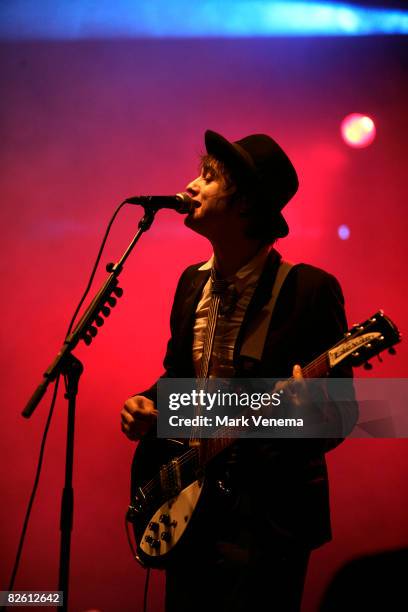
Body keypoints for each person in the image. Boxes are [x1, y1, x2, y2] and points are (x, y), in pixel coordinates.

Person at [121, 130, 357, 611]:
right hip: (190, 508)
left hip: (264, 523)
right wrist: (150, 405)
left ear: (246, 204)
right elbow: (179, 382)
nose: (190, 186)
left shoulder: (308, 290)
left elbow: (343, 418)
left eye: (208, 177)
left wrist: (299, 414)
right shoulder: (192, 283)